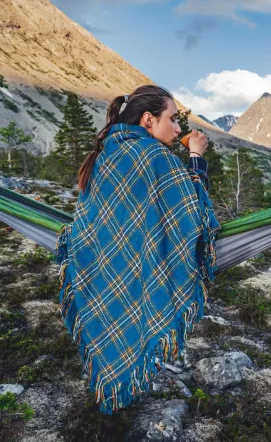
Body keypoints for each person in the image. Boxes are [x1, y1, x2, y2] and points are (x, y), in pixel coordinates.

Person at [55, 85, 221, 414]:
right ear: (148, 119)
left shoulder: (108, 153)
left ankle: (110, 387)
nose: (178, 128)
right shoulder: (154, 156)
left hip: (105, 269)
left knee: (115, 317)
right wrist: (197, 156)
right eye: (172, 120)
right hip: (138, 267)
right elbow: (193, 214)